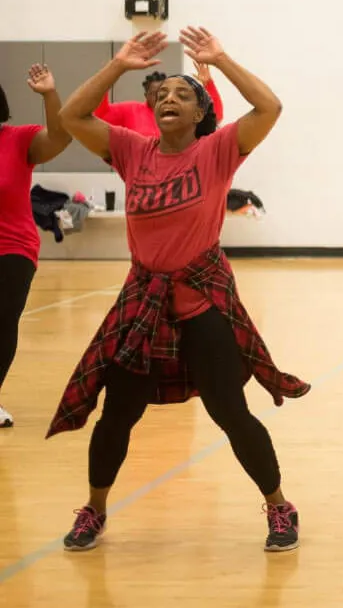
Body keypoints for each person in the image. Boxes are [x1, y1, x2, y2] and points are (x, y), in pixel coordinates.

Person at [49, 28, 309, 553]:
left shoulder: (217, 152)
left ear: (199, 113)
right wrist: (119, 64)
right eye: (161, 93)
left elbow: (270, 106)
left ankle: (280, 505)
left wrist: (221, 58)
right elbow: (72, 117)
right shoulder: (130, 150)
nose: (169, 97)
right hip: (143, 301)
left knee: (230, 411)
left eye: (182, 94)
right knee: (117, 414)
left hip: (200, 300)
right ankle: (94, 509)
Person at [0, 65, 75, 428]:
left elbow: (61, 137)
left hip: (11, 248)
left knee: (1, 323)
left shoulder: (18, 139)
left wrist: (49, 94)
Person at [94, 63, 224, 135]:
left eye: (163, 92)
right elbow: (101, 115)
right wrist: (104, 84)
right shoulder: (131, 110)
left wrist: (208, 84)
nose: (159, 97)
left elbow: (215, 115)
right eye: (154, 93)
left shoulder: (181, 110)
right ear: (146, 96)